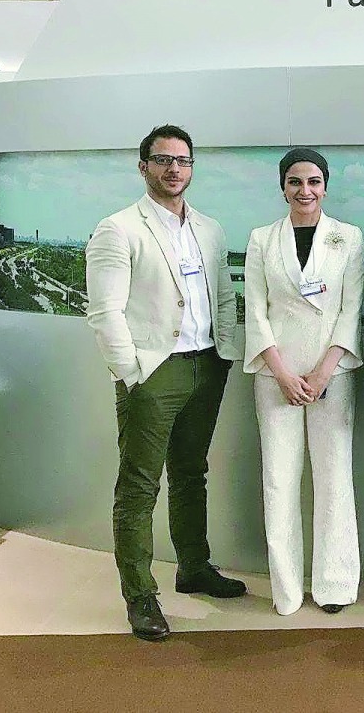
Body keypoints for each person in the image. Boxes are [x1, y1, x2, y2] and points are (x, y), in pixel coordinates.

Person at [85, 124, 243, 642]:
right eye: (163, 160)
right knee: (138, 487)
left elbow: (222, 296)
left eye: (183, 160)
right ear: (144, 167)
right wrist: (131, 373)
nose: (174, 169)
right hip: (155, 371)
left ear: (192, 168)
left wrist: (225, 351)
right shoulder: (118, 228)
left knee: (191, 471)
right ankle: (139, 594)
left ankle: (193, 567)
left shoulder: (211, 228)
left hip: (206, 364)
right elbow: (104, 311)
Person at [243, 148, 364, 615]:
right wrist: (281, 371)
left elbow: (352, 309)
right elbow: (254, 310)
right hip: (276, 375)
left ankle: (334, 585)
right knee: (278, 479)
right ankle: (287, 590)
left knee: (334, 477)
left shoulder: (348, 237)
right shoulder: (260, 239)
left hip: (330, 372)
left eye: (313, 181)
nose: (305, 190)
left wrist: (323, 370)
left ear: (326, 186)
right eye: (295, 182)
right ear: (283, 186)